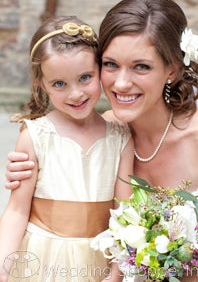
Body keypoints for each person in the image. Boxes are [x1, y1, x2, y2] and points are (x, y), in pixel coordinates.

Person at [4, 0, 198, 282]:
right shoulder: (103, 133)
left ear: (172, 70)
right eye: (110, 64)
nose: (120, 83)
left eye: (141, 66)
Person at [0, 15, 134, 282]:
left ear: (100, 72)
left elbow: (124, 211)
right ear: (42, 86)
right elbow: (17, 210)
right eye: (59, 84)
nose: (75, 94)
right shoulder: (36, 135)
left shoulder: (120, 138)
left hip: (97, 260)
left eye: (85, 77)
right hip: (42, 260)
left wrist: (117, 273)